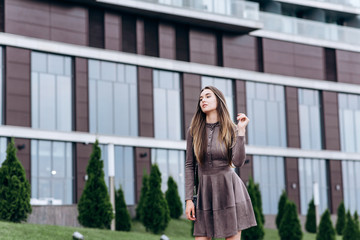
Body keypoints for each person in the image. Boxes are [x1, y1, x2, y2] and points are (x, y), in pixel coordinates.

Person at [185, 86, 257, 240]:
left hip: (230, 191)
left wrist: (241, 132)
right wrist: (189, 199)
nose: (203, 100)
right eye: (201, 98)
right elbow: (190, 166)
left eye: (208, 96)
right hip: (205, 194)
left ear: (218, 100)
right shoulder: (194, 131)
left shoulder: (231, 129)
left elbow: (237, 162)